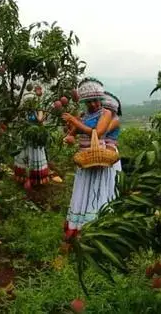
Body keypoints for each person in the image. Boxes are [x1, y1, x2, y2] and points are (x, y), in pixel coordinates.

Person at [61, 78, 115, 240]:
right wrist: (69, 133)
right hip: (85, 160)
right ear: (84, 101)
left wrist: (74, 121)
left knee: (96, 191)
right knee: (83, 191)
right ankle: (80, 226)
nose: (94, 104)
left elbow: (97, 132)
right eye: (89, 101)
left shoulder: (106, 113)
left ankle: (98, 225)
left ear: (101, 99)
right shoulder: (83, 115)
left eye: (96, 100)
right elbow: (72, 133)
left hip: (98, 158)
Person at [14, 93, 50, 188]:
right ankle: (25, 178)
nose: (30, 105)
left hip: (35, 137)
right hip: (26, 136)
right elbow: (20, 121)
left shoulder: (38, 110)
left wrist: (37, 111)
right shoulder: (24, 112)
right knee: (25, 155)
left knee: (35, 155)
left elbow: (40, 120)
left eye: (31, 103)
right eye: (28, 103)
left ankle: (36, 179)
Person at [102, 91, 122, 173]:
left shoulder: (115, 120)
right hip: (100, 148)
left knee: (107, 171)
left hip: (109, 149)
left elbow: (103, 132)